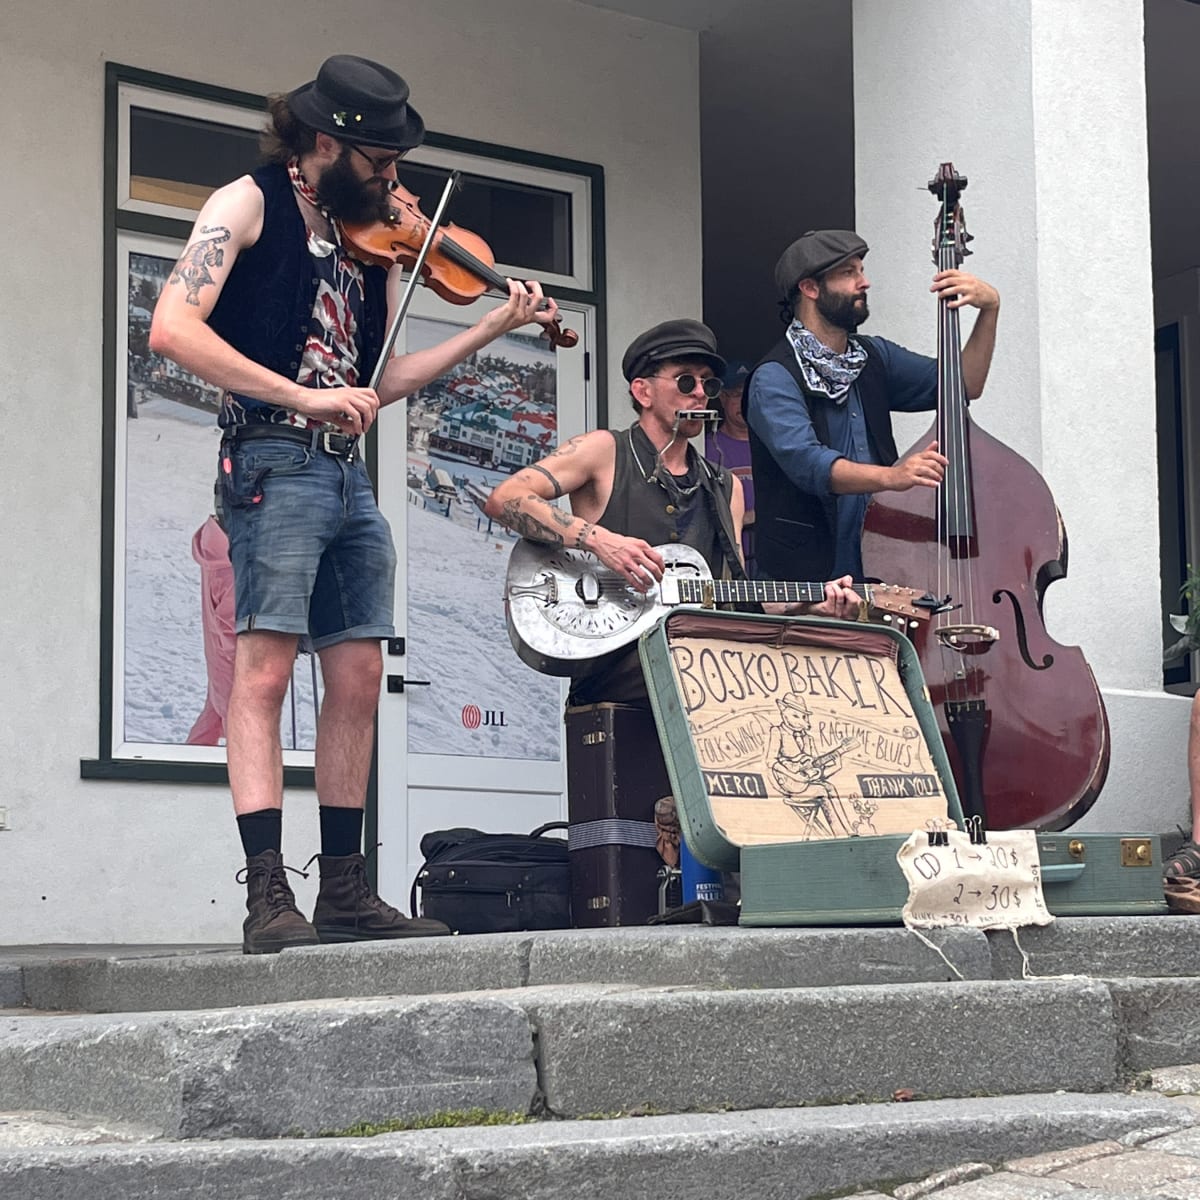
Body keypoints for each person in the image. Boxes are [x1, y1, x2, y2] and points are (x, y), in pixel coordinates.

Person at [150, 54, 561, 954]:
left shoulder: (368, 241)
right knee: (262, 674)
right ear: (326, 144)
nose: (396, 188)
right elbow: (172, 327)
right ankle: (268, 898)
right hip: (269, 454)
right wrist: (300, 397)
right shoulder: (246, 202)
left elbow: (380, 380)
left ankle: (344, 892)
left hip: (346, 470)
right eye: (380, 167)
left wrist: (487, 326)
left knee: (359, 676)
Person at [483, 319, 861, 708]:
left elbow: (730, 598)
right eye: (685, 382)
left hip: (696, 694)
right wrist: (599, 540)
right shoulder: (603, 451)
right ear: (642, 391)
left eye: (708, 384)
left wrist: (809, 605)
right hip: (615, 685)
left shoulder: (725, 487)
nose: (700, 394)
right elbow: (505, 498)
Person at [744, 228, 1000, 583]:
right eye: (848, 273)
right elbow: (809, 464)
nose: (864, 282)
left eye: (861, 270)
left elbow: (965, 384)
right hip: (809, 582)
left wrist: (989, 309)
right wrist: (893, 477)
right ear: (810, 288)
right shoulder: (773, 377)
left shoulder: (873, 355)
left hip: (881, 563)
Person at [704, 362, 756, 575]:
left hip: (770, 562)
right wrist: (748, 517)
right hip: (724, 560)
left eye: (749, 394)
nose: (743, 402)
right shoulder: (707, 447)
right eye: (736, 395)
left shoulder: (773, 447)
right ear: (722, 398)